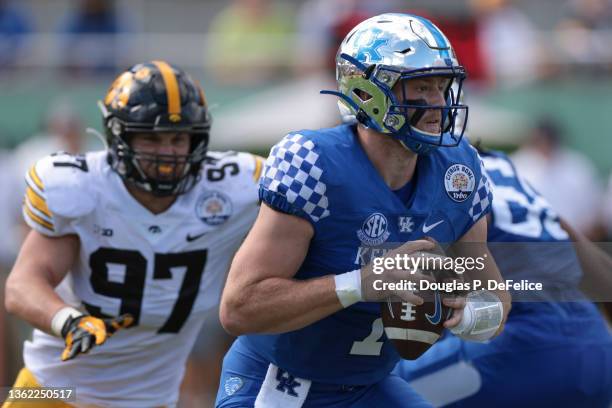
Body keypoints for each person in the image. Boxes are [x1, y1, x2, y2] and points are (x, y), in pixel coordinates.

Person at [216, 13, 510, 408]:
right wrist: (363, 283)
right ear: (368, 92)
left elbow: (492, 293)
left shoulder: (458, 171)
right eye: (421, 87)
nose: (439, 103)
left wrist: (473, 316)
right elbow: (239, 308)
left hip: (370, 385)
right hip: (284, 384)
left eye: (443, 87)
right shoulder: (314, 164)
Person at [3, 60, 262, 407]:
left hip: (150, 400)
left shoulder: (235, 187)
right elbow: (22, 285)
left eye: (178, 137)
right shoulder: (81, 187)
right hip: (54, 390)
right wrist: (69, 321)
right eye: (152, 138)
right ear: (119, 136)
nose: (168, 152)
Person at [393, 149, 612, 407]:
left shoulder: (446, 174)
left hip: (523, 348)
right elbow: (603, 276)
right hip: (597, 346)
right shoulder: (509, 174)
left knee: (371, 388)